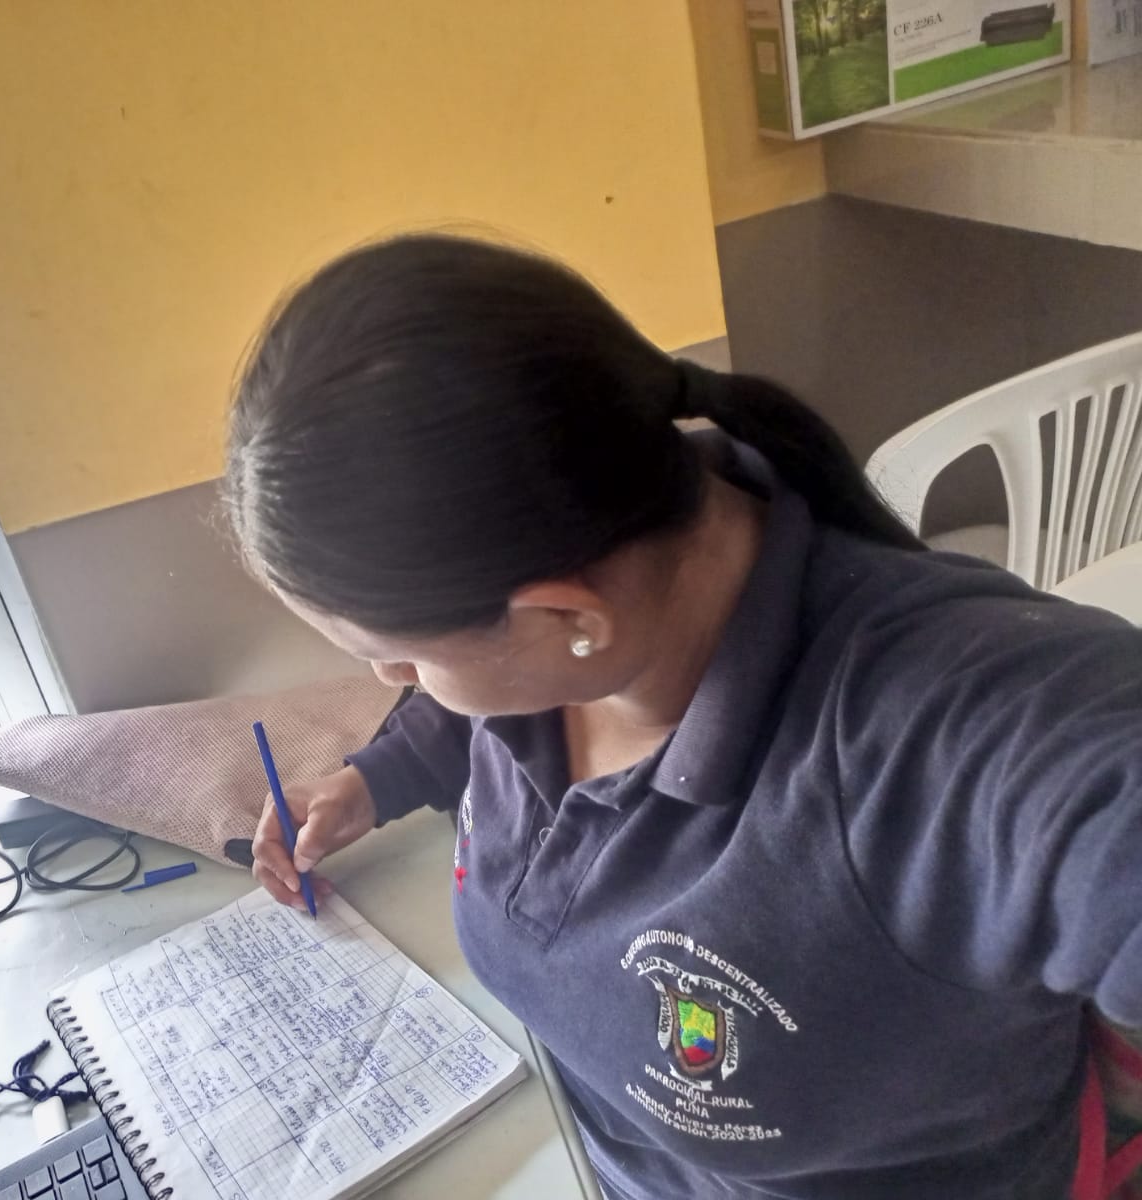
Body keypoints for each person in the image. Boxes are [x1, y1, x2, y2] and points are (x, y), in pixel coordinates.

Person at [222, 233, 1142, 1199]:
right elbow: (482, 703)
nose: (388, 678)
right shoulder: (596, 570)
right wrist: (378, 778)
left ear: (567, 618)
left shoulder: (958, 740)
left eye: (404, 656)